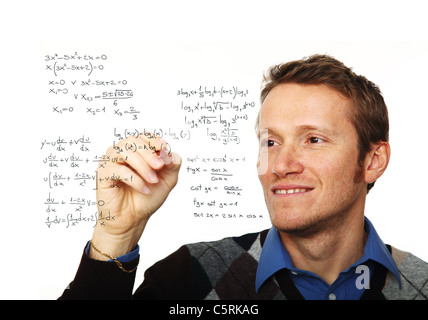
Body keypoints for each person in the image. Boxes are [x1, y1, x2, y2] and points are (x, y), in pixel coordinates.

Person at [60, 54, 428, 300]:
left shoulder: (420, 288)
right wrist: (115, 234)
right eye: (271, 141)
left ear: (373, 160)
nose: (280, 164)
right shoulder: (189, 278)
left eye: (313, 139)